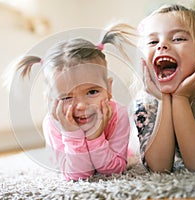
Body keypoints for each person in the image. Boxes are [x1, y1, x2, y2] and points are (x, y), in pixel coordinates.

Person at [15, 24, 135, 181]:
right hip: (66, 159)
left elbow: (113, 171)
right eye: (66, 98)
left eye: (92, 92)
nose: (81, 106)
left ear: (108, 88)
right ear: (50, 101)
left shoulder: (118, 114)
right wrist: (72, 135)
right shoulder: (53, 124)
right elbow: (78, 175)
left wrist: (94, 138)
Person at [133, 4, 195, 173]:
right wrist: (164, 98)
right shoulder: (145, 102)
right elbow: (159, 168)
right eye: (152, 41)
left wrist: (181, 98)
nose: (161, 45)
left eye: (178, 39)